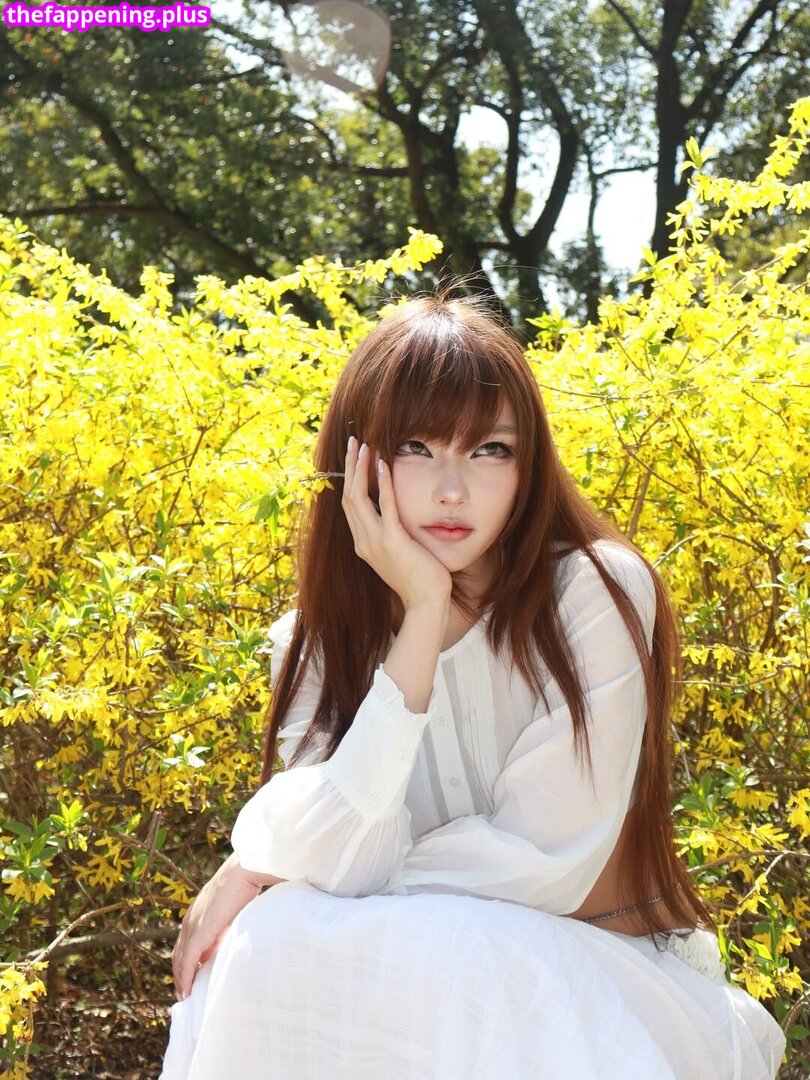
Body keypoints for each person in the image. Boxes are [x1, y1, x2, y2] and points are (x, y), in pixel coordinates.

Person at [160, 290, 786, 1078]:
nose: (452, 490)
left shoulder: (594, 593)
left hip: (607, 984)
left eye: (490, 450)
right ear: (357, 461)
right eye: (416, 448)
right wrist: (422, 615)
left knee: (365, 931)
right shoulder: (315, 642)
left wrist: (276, 864)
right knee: (265, 942)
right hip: (424, 984)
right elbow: (334, 857)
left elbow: (545, 863)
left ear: (529, 467)